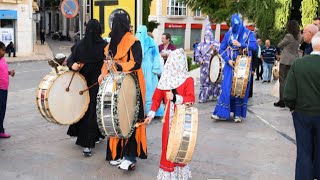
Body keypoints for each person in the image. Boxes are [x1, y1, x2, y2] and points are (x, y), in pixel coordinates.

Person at [98, 13, 147, 171]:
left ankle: (129, 156)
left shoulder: (133, 42)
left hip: (131, 87)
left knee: (130, 120)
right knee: (114, 118)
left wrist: (120, 67)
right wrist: (102, 76)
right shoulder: (111, 43)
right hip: (113, 87)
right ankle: (115, 154)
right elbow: (107, 63)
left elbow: (137, 63)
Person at [144, 48, 195, 180]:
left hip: (182, 119)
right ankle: (169, 174)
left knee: (180, 146)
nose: (172, 66)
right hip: (168, 121)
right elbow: (156, 98)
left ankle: (179, 174)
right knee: (168, 146)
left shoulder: (187, 79)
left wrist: (175, 98)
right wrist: (151, 114)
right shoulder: (165, 79)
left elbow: (191, 99)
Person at [66, 19, 107, 157]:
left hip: (85, 84)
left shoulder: (81, 44)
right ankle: (87, 144)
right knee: (91, 111)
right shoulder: (104, 45)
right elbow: (71, 60)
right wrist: (73, 65)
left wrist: (73, 65)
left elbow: (70, 60)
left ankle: (90, 138)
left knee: (88, 111)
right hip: (94, 84)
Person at [284, 32, 320, 180]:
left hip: (302, 114)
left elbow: (289, 94)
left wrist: (293, 108)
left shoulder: (299, 64)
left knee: (304, 152)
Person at [211, 14, 257, 123]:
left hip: (243, 66)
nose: (236, 28)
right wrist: (228, 60)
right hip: (229, 66)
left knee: (239, 89)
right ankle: (221, 113)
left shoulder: (248, 33)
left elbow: (254, 47)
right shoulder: (228, 34)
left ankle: (237, 114)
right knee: (226, 89)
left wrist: (241, 44)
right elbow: (222, 48)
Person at [136, 25, 164, 117]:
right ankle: (141, 112)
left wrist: (155, 69)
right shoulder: (136, 41)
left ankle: (152, 111)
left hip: (150, 70)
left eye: (141, 32)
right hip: (139, 69)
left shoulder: (152, 42)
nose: (139, 34)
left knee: (151, 91)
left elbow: (156, 56)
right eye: (138, 32)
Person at [274, 20, 301, 108]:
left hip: (285, 61)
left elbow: (279, 45)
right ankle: (292, 99)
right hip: (295, 60)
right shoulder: (299, 36)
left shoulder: (288, 36)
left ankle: (282, 100)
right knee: (292, 81)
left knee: (282, 81)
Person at [195, 19, 221, 103]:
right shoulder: (200, 44)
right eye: (206, 35)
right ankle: (203, 97)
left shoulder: (216, 43)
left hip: (214, 66)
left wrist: (215, 50)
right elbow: (197, 54)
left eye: (209, 35)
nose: (207, 37)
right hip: (204, 67)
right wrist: (200, 59)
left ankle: (215, 95)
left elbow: (221, 53)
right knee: (204, 82)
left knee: (215, 81)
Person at [0, 41, 15, 138]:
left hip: (4, 89)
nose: (4, 52)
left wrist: (9, 72)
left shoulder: (2, 59)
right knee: (0, 111)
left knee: (2, 110)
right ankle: (1, 131)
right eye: (2, 50)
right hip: (0, 89)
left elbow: (3, 71)